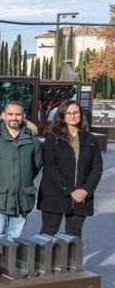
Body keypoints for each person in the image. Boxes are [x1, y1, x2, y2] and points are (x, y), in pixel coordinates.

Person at [38, 100, 103, 238]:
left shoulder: (90, 139)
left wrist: (86, 189)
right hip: (54, 194)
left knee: (74, 236)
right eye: (68, 113)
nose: (72, 116)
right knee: (47, 234)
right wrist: (70, 190)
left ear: (81, 115)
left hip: (81, 197)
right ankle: (45, 261)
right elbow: (50, 167)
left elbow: (97, 167)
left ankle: (70, 261)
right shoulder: (52, 138)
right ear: (62, 116)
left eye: (76, 112)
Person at [0, 101, 43, 241]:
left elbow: (36, 166)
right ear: (3, 115)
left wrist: (22, 179)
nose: (14, 117)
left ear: (23, 116)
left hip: (23, 197)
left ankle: (9, 263)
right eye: (10, 114)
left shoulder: (33, 142)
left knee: (15, 237)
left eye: (18, 114)